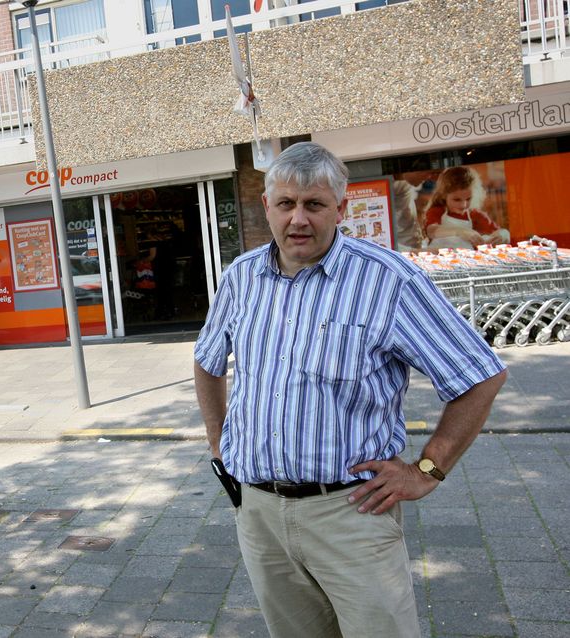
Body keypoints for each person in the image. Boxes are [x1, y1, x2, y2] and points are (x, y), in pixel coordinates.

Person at [193, 142, 507, 638]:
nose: (298, 219)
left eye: (314, 205)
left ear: (341, 209)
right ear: (267, 207)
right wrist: (218, 440)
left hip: (352, 515)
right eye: (286, 204)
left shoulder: (387, 280)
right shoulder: (240, 279)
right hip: (259, 516)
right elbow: (207, 360)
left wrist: (427, 469)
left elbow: (481, 374)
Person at [424, 165, 510, 249]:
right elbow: (431, 231)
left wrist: (503, 235)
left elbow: (499, 231)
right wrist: (460, 231)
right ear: (443, 195)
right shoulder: (437, 211)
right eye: (457, 200)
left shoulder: (474, 214)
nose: (464, 205)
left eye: (468, 199)